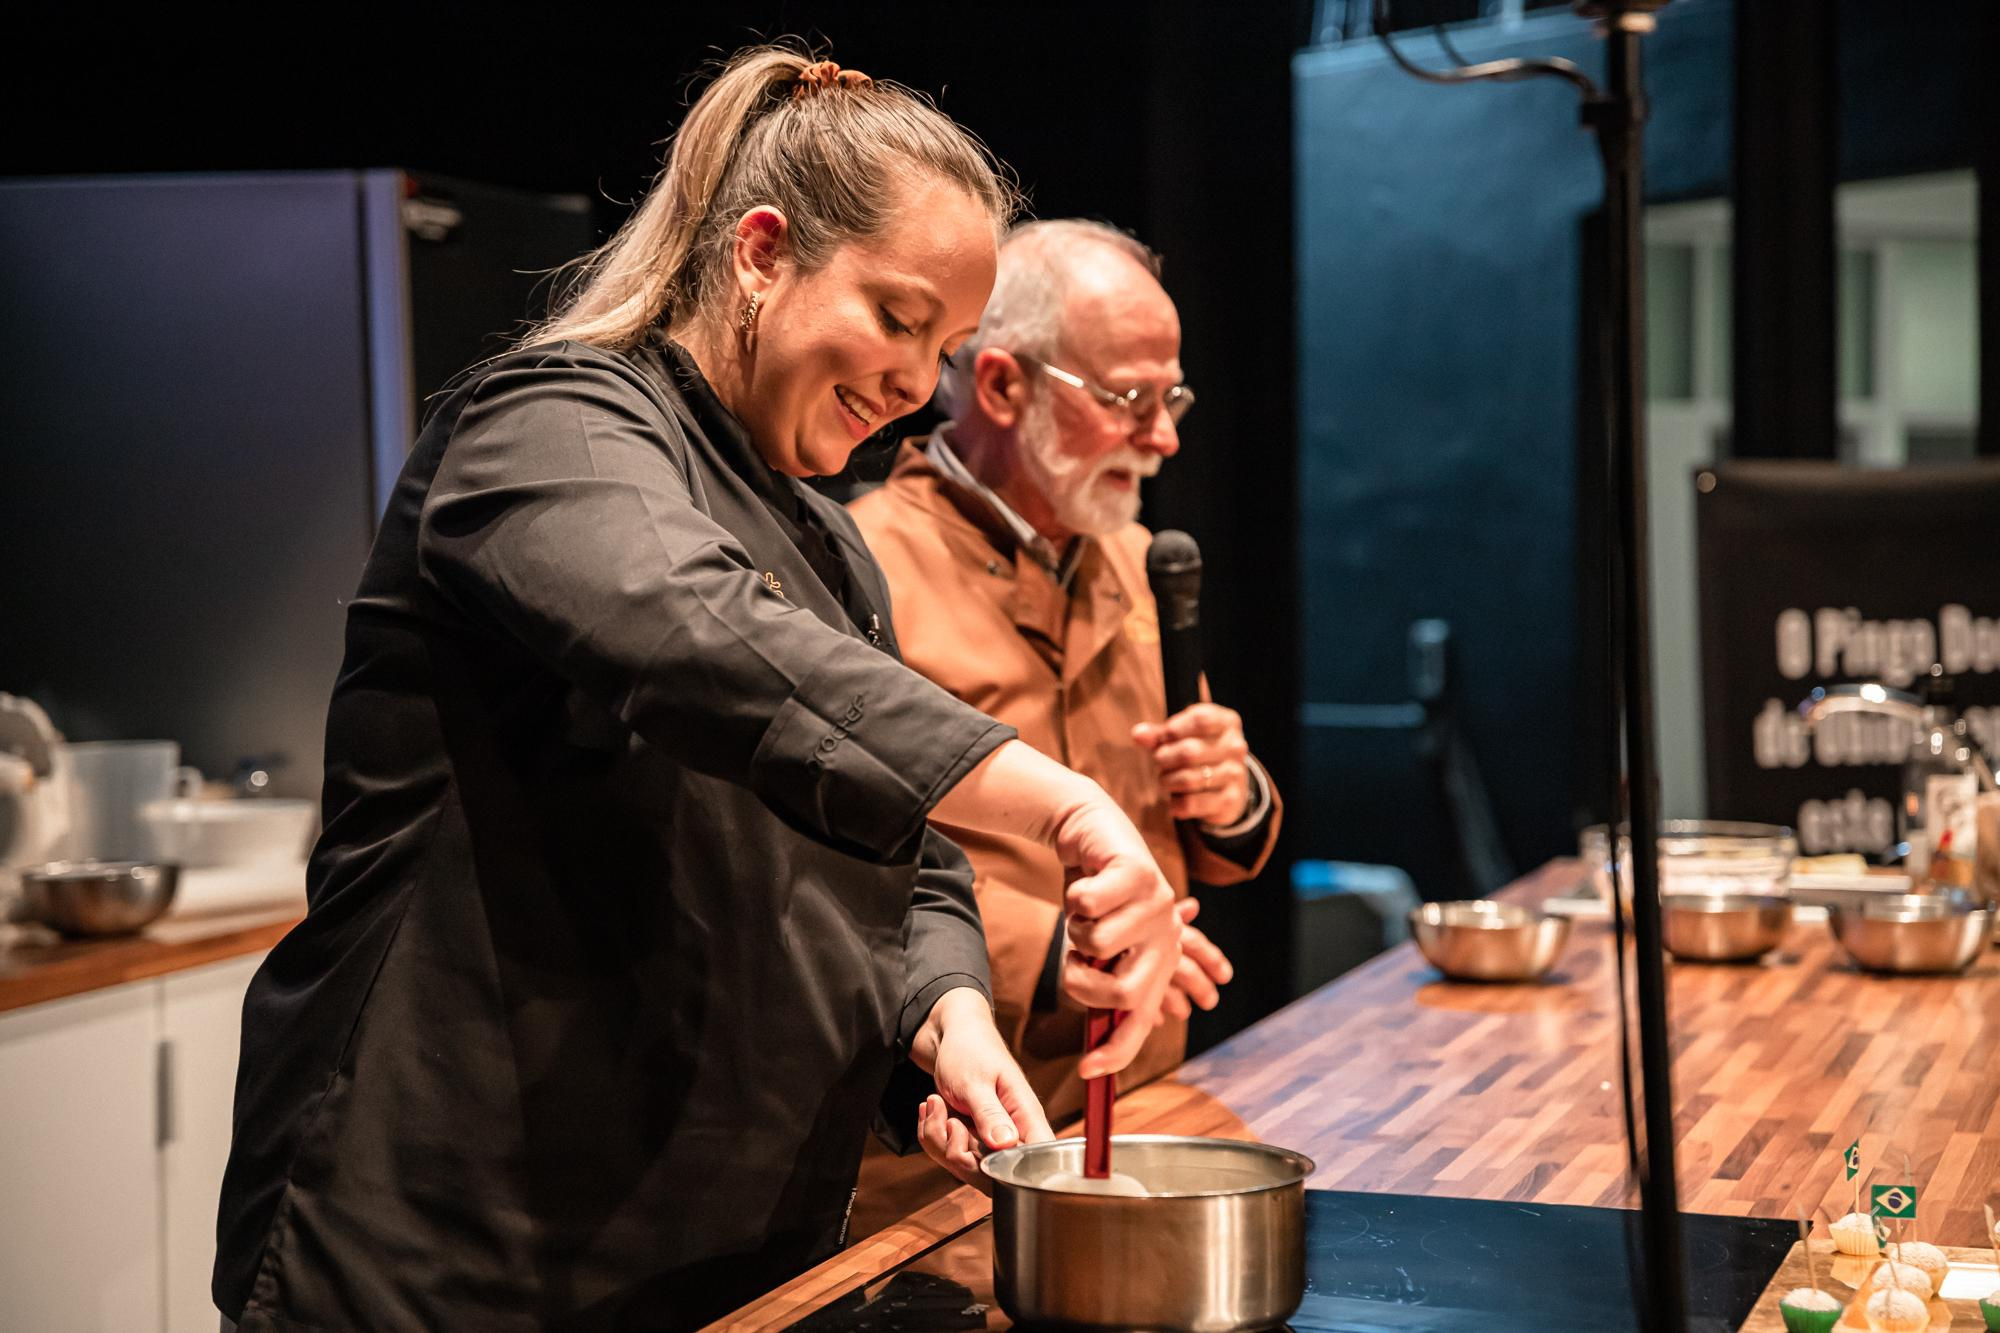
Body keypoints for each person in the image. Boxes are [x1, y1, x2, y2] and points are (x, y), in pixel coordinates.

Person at [212, 52, 1183, 1333]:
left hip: (726, 1250)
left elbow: (908, 862)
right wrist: (1062, 806)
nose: (910, 385)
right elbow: (693, 632)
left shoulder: (829, 545)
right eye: (895, 318)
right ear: (761, 253)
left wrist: (942, 1018)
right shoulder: (545, 425)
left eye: (940, 348)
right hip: (447, 1253)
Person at [848, 220, 1281, 1205]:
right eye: (1127, 400)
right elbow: (823, 869)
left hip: (1141, 1106)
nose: (1164, 436)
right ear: (1001, 385)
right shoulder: (860, 564)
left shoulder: (1130, 556)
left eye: (1169, 397)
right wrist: (1058, 947)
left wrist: (1233, 793)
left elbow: (1208, 836)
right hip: (941, 1150)